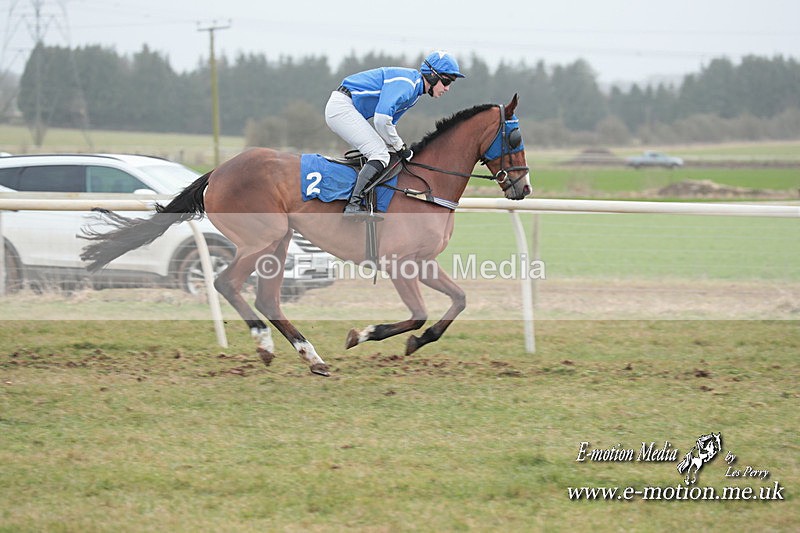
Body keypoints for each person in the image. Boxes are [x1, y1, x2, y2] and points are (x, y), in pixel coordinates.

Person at [325, 51, 465, 217]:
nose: (447, 88)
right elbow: (381, 120)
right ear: (433, 76)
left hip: (347, 108)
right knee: (379, 154)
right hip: (342, 107)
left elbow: (388, 126)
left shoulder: (414, 92)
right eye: (446, 81)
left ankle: (369, 201)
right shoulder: (408, 84)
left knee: (387, 154)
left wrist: (398, 148)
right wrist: (401, 146)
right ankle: (353, 204)